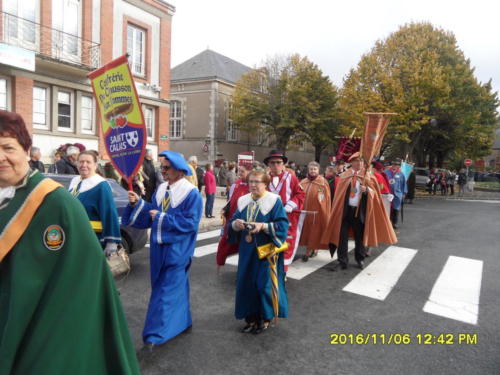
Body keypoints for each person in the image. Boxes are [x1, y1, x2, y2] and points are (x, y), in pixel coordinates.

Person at [0, 110, 140, 374]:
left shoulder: (57, 201)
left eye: (8, 147)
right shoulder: (72, 185)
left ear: (27, 150)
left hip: (35, 326)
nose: (0, 157)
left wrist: (111, 242)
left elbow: (80, 285)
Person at [122, 150, 202, 350]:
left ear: (179, 171)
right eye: (162, 167)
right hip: (158, 248)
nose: (163, 171)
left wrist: (162, 217)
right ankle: (183, 321)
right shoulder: (160, 190)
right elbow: (150, 213)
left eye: (166, 168)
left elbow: (191, 223)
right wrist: (137, 204)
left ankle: (154, 334)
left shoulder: (191, 194)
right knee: (171, 286)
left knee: (164, 290)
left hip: (178, 249)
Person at [229, 169, 289, 334]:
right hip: (247, 251)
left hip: (267, 252)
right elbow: (232, 222)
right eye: (251, 182)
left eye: (257, 182)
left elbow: (283, 227)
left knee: (264, 286)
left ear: (265, 184)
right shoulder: (243, 200)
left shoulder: (273, 201)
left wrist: (262, 226)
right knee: (246, 284)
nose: (253, 185)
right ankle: (251, 319)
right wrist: (236, 224)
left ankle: (266, 318)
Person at [321, 152, 397, 269]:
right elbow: (339, 194)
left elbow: (375, 193)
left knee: (359, 237)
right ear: (351, 163)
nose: (360, 163)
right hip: (345, 211)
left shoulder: (368, 176)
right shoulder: (344, 176)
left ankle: (360, 259)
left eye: (361, 161)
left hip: (360, 211)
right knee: (342, 237)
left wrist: (366, 190)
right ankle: (343, 260)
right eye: (357, 161)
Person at [68, 151, 121, 254]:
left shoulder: (101, 185)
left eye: (88, 162)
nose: (84, 165)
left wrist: (111, 241)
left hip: (93, 238)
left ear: (95, 165)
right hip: (74, 237)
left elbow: (109, 213)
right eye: (81, 162)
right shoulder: (75, 181)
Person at [264, 150, 305, 272]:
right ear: (269, 165)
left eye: (278, 162)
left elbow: (300, 194)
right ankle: (268, 267)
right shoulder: (264, 178)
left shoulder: (291, 178)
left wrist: (291, 205)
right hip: (268, 216)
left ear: (283, 164)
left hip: (286, 216)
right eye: (273, 163)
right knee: (268, 240)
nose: (276, 165)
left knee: (285, 241)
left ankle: (283, 270)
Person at [216, 163, 251, 270]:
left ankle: (244, 270)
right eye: (239, 170)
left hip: (247, 221)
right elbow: (231, 200)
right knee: (226, 242)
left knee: (245, 246)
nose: (239, 173)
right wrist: (225, 209)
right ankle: (220, 263)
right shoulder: (235, 184)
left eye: (242, 171)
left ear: (250, 172)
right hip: (233, 220)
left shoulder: (253, 185)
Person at [299, 162, 331, 261]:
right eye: (311, 169)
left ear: (318, 170)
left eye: (315, 169)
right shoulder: (303, 182)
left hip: (317, 212)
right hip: (305, 212)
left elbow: (326, 198)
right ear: (308, 170)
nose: (313, 171)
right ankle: (312, 248)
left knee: (315, 232)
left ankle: (309, 251)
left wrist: (323, 210)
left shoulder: (322, 182)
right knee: (307, 232)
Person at [385, 159, 407, 229]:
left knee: (396, 209)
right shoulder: (386, 172)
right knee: (388, 209)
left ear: (398, 166)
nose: (394, 166)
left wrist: (404, 193)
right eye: (394, 164)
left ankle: (395, 223)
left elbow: (404, 184)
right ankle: (388, 222)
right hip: (388, 194)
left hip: (397, 194)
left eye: (396, 165)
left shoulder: (401, 174)